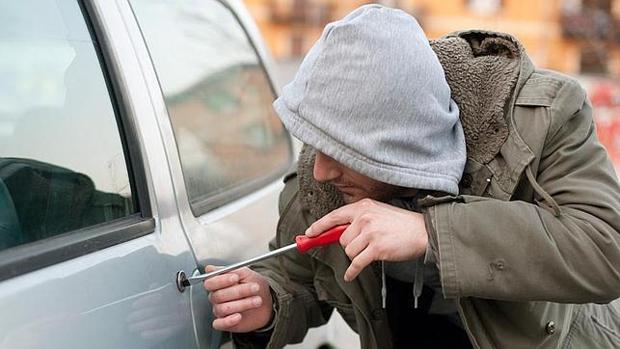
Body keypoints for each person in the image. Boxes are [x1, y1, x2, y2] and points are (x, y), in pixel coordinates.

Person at [204, 4, 620, 348]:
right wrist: (269, 304)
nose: (319, 170)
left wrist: (430, 232)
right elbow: (300, 278)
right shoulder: (323, 181)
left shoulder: (543, 118)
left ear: (400, 146)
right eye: (317, 145)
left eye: (343, 153)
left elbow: (607, 250)